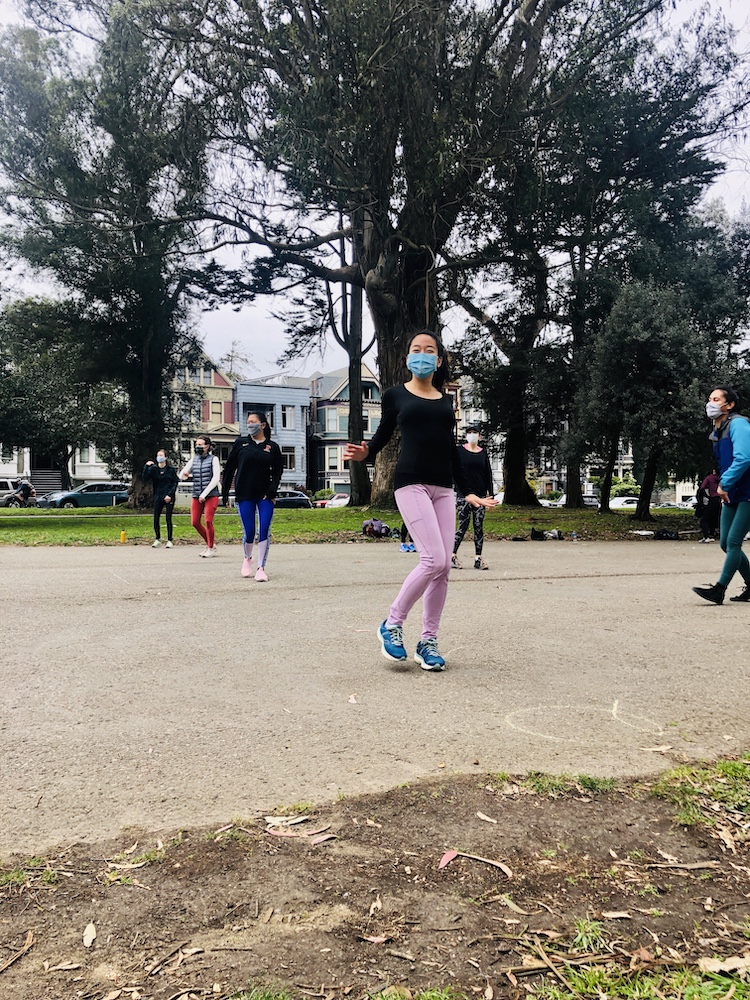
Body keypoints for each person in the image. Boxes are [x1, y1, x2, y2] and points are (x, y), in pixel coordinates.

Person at [344, 330, 497, 671]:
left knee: (443, 569)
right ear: (408, 358)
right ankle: (392, 623)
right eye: (416, 349)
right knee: (432, 560)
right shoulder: (395, 395)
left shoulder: (445, 400)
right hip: (410, 483)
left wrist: (468, 490)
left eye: (430, 350)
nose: (423, 354)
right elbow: (383, 433)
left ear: (439, 360)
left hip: (443, 487)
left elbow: (451, 449)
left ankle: (428, 641)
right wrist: (367, 450)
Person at [692, 387, 750, 604]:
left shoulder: (739, 424)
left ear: (730, 404)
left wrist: (724, 484)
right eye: (710, 399)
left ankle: (719, 589)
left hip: (747, 491)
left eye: (716, 399)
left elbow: (744, 458)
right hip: (733, 491)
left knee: (734, 542)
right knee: (725, 543)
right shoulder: (717, 430)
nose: (711, 403)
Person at [222, 410, 283, 582]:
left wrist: (272, 490)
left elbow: (278, 472)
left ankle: (261, 568)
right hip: (245, 493)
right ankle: (247, 557)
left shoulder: (272, 447)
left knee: (263, 529)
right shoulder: (241, 443)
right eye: (248, 422)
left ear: (262, 425)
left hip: (265, 496)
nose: (250, 425)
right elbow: (229, 469)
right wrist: (225, 493)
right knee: (249, 532)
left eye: (253, 421)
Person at [451, 426, 494, 570]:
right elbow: (455, 471)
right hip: (464, 495)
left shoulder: (483, 454)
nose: (472, 435)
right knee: (462, 525)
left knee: (478, 527)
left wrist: (490, 495)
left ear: (480, 437)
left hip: (480, 495)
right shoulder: (459, 451)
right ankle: (452, 555)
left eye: (475, 433)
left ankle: (478, 558)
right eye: (469, 433)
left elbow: (487, 474)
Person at [179, 435, 221, 557]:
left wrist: (205, 494)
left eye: (200, 444)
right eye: (196, 444)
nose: (198, 447)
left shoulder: (214, 459)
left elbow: (215, 478)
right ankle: (210, 544)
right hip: (196, 494)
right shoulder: (194, 460)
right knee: (195, 522)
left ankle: (210, 548)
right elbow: (181, 474)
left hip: (211, 495)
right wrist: (185, 474)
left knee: (208, 521)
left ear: (207, 446)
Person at [142, 449, 179, 548]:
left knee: (168, 518)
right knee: (156, 518)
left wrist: (170, 495)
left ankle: (170, 540)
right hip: (158, 495)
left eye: (161, 455)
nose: (159, 457)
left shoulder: (170, 470)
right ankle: (157, 538)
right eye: (158, 455)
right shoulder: (154, 469)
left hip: (168, 496)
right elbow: (145, 477)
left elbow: (175, 483)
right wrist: (146, 466)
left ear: (166, 457)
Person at [695, 468, 721, 543]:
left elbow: (702, 488)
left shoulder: (709, 478)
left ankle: (706, 536)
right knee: (715, 518)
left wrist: (707, 496)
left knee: (704, 520)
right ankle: (712, 534)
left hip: (712, 499)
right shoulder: (721, 478)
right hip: (719, 499)